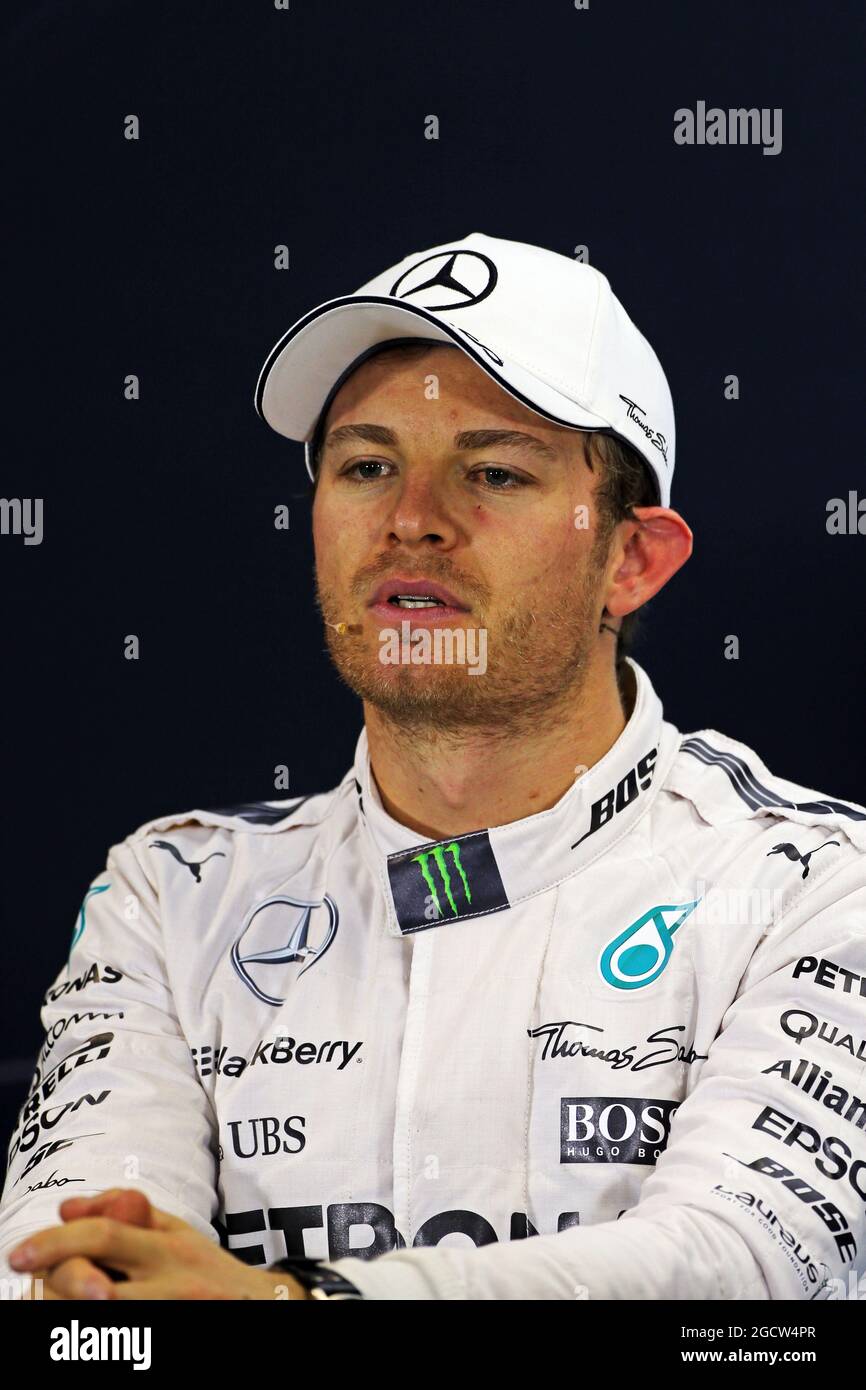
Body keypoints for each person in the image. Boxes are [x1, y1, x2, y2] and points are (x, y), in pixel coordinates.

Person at [2, 232, 864, 1302]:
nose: (411, 521)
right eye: (367, 466)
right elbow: (71, 1284)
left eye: (493, 471)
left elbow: (736, 1272)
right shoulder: (169, 896)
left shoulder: (815, 884)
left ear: (632, 560)